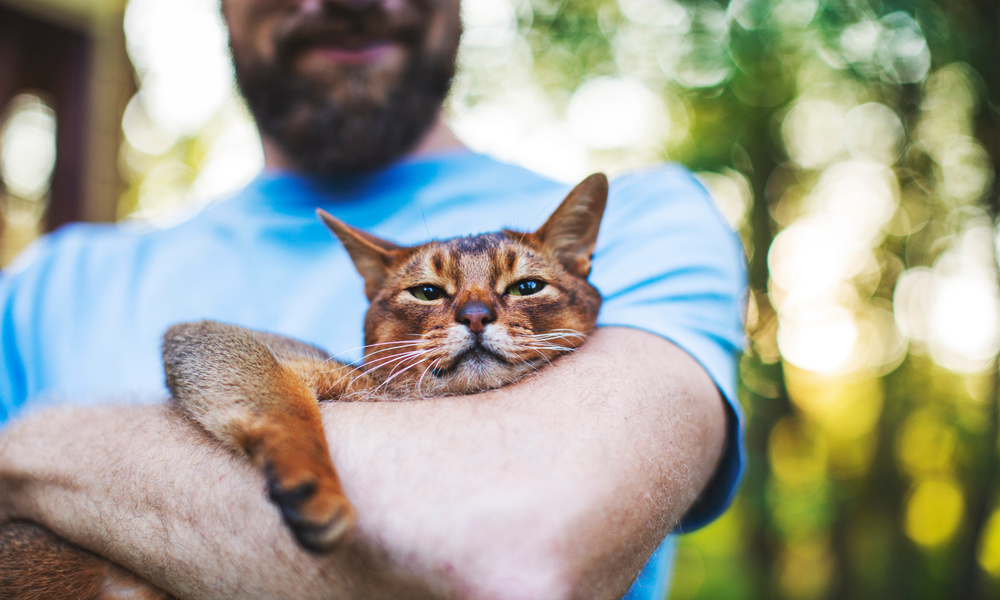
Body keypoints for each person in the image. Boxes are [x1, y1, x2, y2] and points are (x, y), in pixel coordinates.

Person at [0, 0, 745, 598]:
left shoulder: (657, 221)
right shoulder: (48, 279)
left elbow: (509, 564)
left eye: (523, 288)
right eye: (426, 294)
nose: (476, 314)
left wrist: (31, 454)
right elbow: (209, 349)